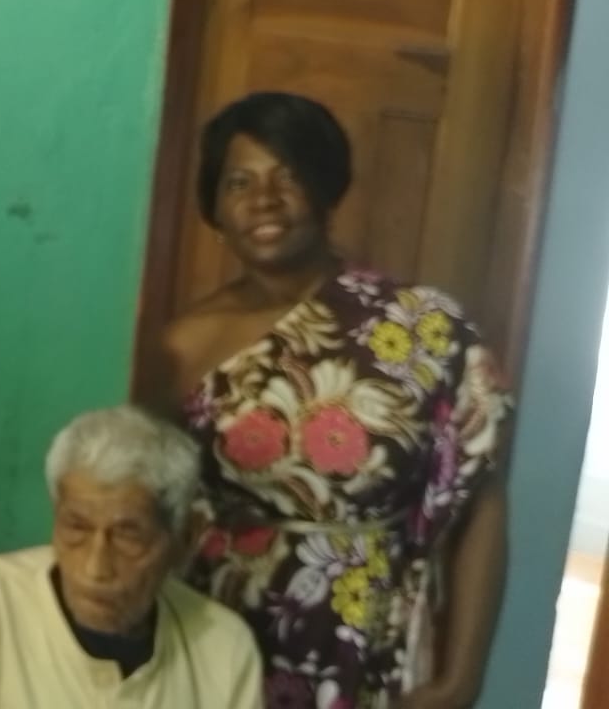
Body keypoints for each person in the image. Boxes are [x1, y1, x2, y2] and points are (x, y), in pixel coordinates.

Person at [143, 91, 511, 708]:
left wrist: (460, 678)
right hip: (216, 635)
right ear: (215, 208)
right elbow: (144, 506)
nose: (264, 199)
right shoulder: (177, 347)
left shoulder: (424, 329)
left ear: (326, 189)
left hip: (365, 640)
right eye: (239, 182)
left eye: (288, 176)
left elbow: (481, 508)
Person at [0, 405, 263, 708]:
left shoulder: (222, 649)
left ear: (185, 537)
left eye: (128, 535)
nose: (95, 568)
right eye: (76, 528)